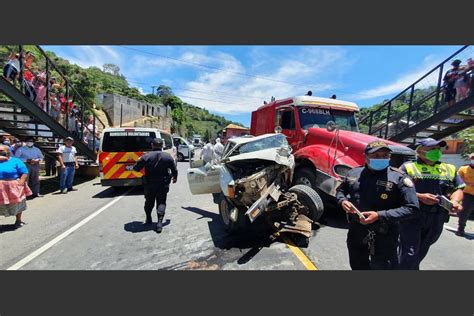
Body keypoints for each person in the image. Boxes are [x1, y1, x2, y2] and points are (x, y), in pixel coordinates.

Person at [336, 141, 419, 270]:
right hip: (357, 231)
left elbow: (412, 208)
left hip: (385, 234)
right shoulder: (354, 173)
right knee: (357, 266)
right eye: (376, 155)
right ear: (366, 157)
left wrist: (379, 215)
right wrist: (342, 201)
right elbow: (341, 190)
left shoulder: (399, 178)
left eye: (385, 155)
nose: (381, 159)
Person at [398, 138, 464, 270]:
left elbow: (459, 188)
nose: (436, 151)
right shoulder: (408, 167)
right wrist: (419, 196)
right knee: (410, 252)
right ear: (420, 151)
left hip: (437, 217)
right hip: (413, 215)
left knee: (422, 249)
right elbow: (397, 189)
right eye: (432, 149)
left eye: (438, 149)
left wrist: (456, 201)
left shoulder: (449, 168)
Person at [133, 138, 178, 233]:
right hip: (163, 183)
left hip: (149, 183)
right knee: (161, 202)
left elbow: (136, 168)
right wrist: (174, 178)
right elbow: (174, 170)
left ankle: (148, 218)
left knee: (149, 201)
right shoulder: (167, 156)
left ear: (152, 145)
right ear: (162, 146)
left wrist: (138, 161)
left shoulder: (146, 156)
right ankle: (159, 223)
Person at [0, 144, 32, 228]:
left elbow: (24, 172)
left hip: (13, 185)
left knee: (18, 203)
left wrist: (21, 182)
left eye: (2, 151)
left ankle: (18, 220)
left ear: (8, 152)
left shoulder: (15, 161)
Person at [456, 153, 474, 236]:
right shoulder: (463, 169)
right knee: (465, 212)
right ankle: (461, 228)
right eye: (473, 158)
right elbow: (458, 181)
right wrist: (469, 183)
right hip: (467, 194)